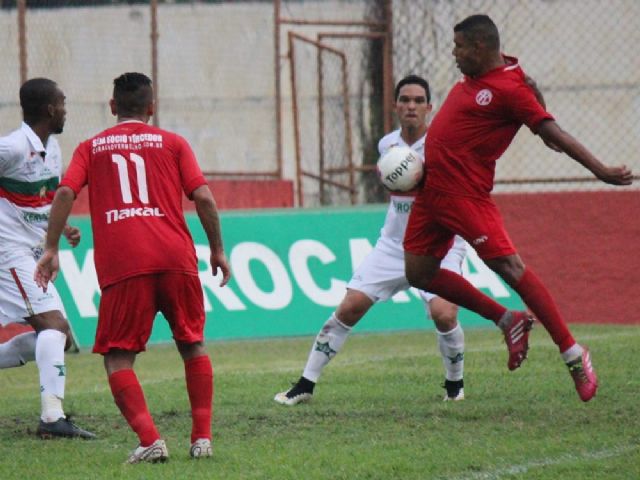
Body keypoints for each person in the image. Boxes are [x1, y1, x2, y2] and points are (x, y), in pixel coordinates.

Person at [403, 15, 634, 403]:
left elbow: (552, 133)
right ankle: (506, 318)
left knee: (510, 268)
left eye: (459, 47)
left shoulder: (510, 88)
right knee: (419, 272)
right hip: (431, 192)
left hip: (465, 196)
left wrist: (603, 171)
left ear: (478, 47)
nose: (454, 54)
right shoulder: (489, 75)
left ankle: (574, 354)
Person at [35, 72, 231, 463]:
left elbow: (65, 192)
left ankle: (150, 439)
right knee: (192, 344)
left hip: (125, 263)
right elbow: (205, 199)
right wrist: (217, 250)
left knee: (118, 358)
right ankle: (202, 439)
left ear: (112, 107)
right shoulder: (174, 143)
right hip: (177, 258)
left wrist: (52, 246)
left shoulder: (91, 148)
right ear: (151, 107)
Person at [275, 75, 468, 406]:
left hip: (439, 243)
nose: (411, 106)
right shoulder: (387, 146)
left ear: (429, 108)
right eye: (405, 100)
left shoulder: (442, 145)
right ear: (395, 106)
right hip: (394, 246)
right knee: (349, 308)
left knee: (444, 315)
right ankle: (306, 384)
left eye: (418, 100)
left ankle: (454, 387)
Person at [0, 78, 95, 439]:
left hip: (34, 250)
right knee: (52, 327)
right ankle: (52, 419)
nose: (66, 109)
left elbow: (41, 198)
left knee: (60, 336)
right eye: (63, 103)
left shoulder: (52, 149)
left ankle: (53, 418)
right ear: (49, 109)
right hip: (8, 252)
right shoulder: (9, 148)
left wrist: (62, 227)